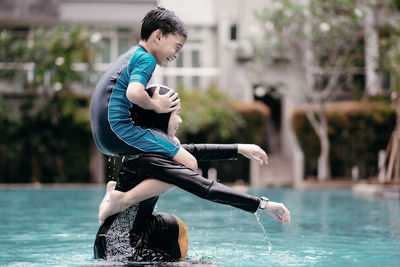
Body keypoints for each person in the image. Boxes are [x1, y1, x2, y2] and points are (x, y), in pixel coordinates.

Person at [93, 85, 291, 263]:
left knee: (169, 225)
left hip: (127, 239)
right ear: (160, 117)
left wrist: (239, 148)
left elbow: (194, 150)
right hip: (117, 250)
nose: (179, 120)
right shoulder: (149, 159)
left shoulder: (149, 148)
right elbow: (205, 187)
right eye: (175, 114)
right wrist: (262, 205)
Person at [89, 6, 196, 170]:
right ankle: (124, 197)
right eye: (177, 47)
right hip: (118, 130)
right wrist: (157, 105)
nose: (176, 55)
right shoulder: (147, 59)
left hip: (102, 135)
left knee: (163, 150)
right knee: (189, 163)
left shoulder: (133, 54)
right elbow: (134, 93)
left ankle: (116, 191)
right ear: (158, 37)